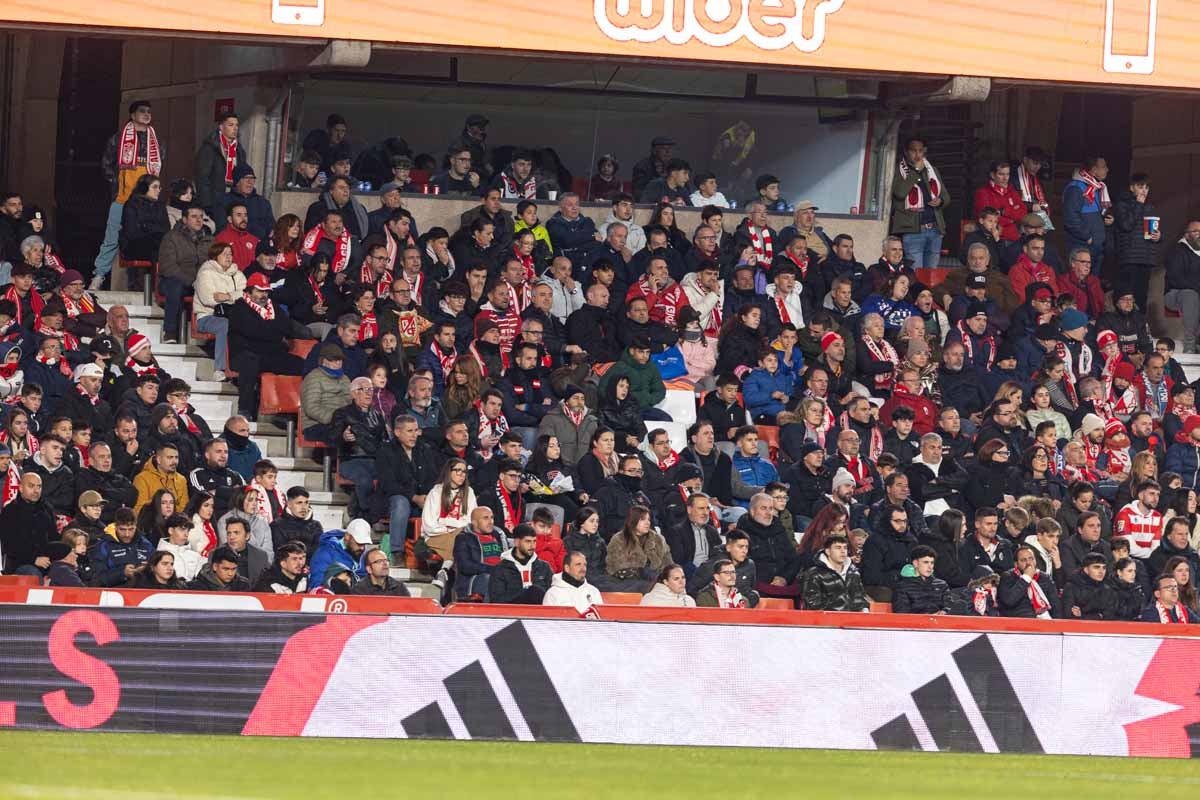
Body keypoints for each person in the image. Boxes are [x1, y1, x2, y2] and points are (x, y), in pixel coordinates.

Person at [94, 100, 163, 289]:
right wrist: (117, 183)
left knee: (142, 240)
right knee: (111, 239)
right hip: (122, 198)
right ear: (132, 115)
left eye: (149, 111)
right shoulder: (119, 138)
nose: (147, 114)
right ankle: (99, 276)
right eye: (142, 111)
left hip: (145, 204)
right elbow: (107, 164)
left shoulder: (155, 141)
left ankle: (142, 284)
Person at [891, 137, 949, 268]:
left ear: (924, 152)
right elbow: (899, 193)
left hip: (935, 229)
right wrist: (915, 171)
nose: (917, 154)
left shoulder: (932, 170)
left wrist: (941, 201)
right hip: (912, 231)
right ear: (906, 152)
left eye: (920, 151)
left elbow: (946, 196)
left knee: (931, 273)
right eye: (913, 151)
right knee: (915, 273)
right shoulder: (899, 170)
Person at [192, 241, 243, 381]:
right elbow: (208, 298)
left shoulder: (237, 274)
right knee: (224, 325)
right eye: (224, 254)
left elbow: (245, 295)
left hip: (233, 314)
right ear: (215, 256)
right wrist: (234, 296)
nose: (228, 257)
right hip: (207, 316)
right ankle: (219, 369)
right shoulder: (205, 273)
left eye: (230, 254)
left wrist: (226, 296)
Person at [194, 112, 248, 220]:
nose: (235, 128)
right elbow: (202, 177)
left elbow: (243, 175)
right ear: (221, 127)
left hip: (234, 196)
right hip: (215, 197)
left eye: (237, 125)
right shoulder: (210, 148)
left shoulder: (239, 150)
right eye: (231, 125)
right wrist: (207, 204)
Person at [1062, 156, 1111, 268]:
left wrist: (1106, 220)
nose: (1107, 169)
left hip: (1095, 247)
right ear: (1094, 170)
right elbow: (1070, 217)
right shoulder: (1076, 188)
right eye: (1104, 167)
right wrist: (1087, 237)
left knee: (1092, 283)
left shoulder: (1096, 188)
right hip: (1082, 247)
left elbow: (1095, 215)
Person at [800, 533, 869, 612]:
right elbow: (813, 604)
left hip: (853, 620)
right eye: (838, 548)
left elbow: (860, 599)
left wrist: (864, 610)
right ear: (828, 551)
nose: (843, 551)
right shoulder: (813, 574)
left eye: (845, 548)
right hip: (825, 621)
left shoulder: (853, 573)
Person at [489, 524, 552, 604]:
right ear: (517, 542)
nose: (532, 546)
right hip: (513, 613)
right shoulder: (500, 569)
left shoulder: (544, 567)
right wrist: (526, 594)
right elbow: (496, 600)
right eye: (528, 541)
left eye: (534, 541)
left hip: (541, 612)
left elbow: (553, 595)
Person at [1164, 220, 1200, 354]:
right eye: (1196, 232)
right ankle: (1189, 345)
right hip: (1175, 295)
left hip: (1196, 293)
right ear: (1186, 235)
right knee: (1191, 295)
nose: (1199, 235)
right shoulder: (1177, 251)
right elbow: (1176, 279)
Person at [998, 544, 1060, 619]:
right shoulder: (1008, 577)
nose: (1028, 563)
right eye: (1023, 560)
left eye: (1031, 559)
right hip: (1018, 622)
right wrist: (1026, 578)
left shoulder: (1045, 578)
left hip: (1044, 622)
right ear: (1016, 564)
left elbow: (1056, 607)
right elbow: (1010, 601)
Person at [892, 545, 949, 614]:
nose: (930, 567)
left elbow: (950, 606)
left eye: (932, 563)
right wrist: (928, 618)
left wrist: (944, 612)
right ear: (915, 563)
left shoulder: (941, 585)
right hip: (915, 623)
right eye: (926, 562)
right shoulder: (902, 587)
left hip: (941, 623)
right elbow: (902, 614)